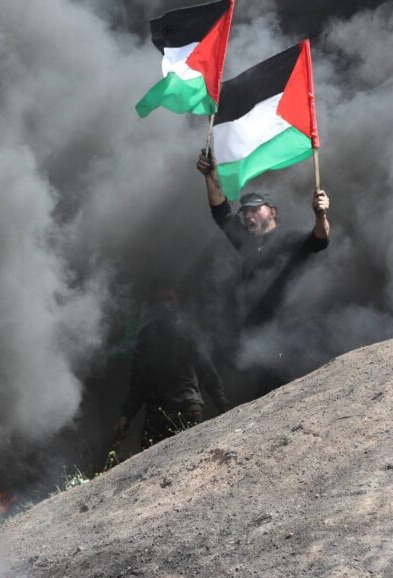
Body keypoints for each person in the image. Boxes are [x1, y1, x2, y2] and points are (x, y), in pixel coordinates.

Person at [195, 148, 331, 392]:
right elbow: (221, 212)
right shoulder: (246, 243)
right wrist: (210, 176)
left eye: (255, 209)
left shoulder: (289, 240)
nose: (248, 215)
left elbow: (319, 240)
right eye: (245, 211)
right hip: (261, 340)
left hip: (292, 337)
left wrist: (321, 214)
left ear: (272, 212)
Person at [114, 287, 230, 448]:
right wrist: (222, 404)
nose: (166, 305)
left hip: (166, 412)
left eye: (169, 299)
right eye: (164, 300)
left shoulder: (150, 335)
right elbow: (208, 370)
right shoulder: (185, 332)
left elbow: (138, 382)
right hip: (179, 409)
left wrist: (126, 415)